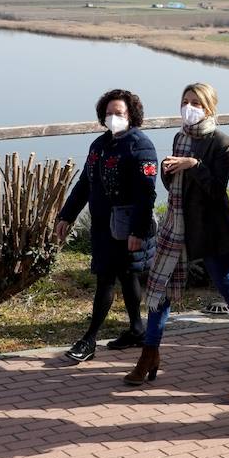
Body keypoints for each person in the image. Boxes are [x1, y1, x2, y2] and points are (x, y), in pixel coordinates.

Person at [128, 83, 229, 385]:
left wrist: (194, 165)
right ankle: (149, 353)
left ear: (209, 107)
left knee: (226, 284)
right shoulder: (179, 137)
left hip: (211, 229)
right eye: (185, 101)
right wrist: (168, 169)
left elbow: (216, 190)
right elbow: (174, 187)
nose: (189, 107)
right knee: (160, 290)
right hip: (177, 228)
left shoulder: (222, 142)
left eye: (196, 102)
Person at [54, 89, 158, 363]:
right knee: (127, 276)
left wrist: (138, 231)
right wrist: (67, 215)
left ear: (132, 116)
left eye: (119, 113)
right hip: (102, 227)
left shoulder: (141, 146)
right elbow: (85, 184)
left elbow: (147, 194)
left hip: (126, 228)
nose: (113, 118)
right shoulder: (99, 145)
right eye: (109, 113)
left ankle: (89, 340)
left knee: (108, 279)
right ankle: (137, 329)